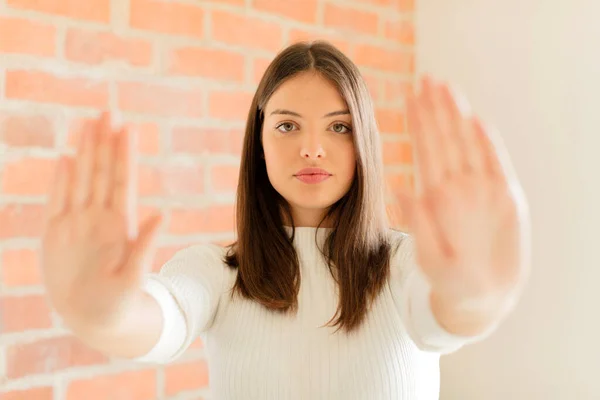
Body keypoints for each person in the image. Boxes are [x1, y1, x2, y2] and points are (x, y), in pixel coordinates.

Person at [40, 41, 530, 399]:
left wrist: (477, 296)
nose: (312, 147)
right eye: (287, 125)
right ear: (259, 142)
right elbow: (160, 319)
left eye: (338, 127)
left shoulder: (404, 262)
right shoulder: (217, 270)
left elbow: (445, 318)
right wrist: (103, 313)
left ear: (364, 143)